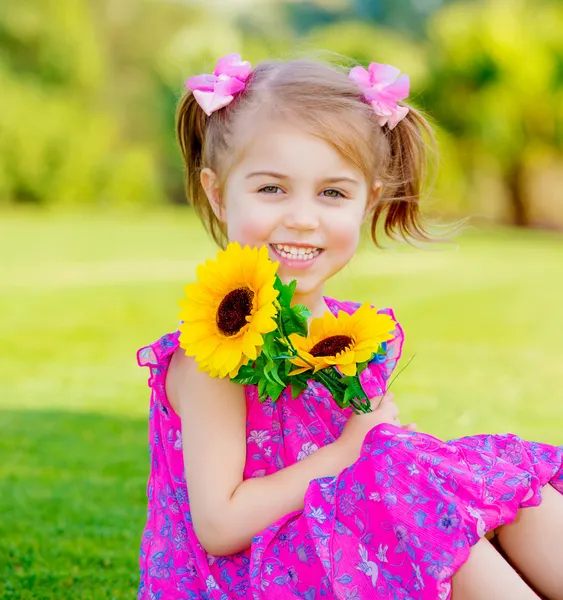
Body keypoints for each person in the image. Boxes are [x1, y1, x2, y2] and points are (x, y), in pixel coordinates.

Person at [136, 53, 563, 600]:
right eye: (272, 189)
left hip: (327, 540)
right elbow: (219, 526)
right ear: (219, 194)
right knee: (419, 509)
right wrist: (349, 454)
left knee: (491, 491)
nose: (303, 217)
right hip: (244, 576)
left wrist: (386, 460)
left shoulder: (346, 331)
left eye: (332, 193)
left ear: (368, 202)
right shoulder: (214, 353)